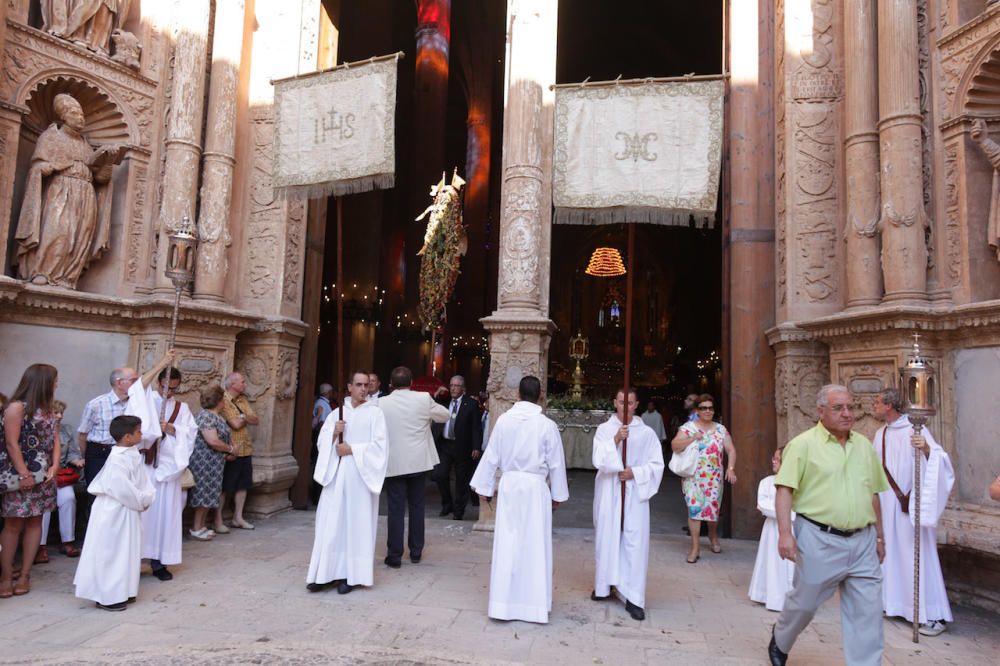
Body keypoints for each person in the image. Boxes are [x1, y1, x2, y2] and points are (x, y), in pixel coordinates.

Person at [768, 385, 890, 666]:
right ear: (820, 411)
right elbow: (784, 490)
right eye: (838, 408)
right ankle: (781, 638)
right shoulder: (802, 445)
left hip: (863, 540)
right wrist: (785, 534)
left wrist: (880, 538)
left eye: (850, 407)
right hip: (818, 538)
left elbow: (872, 492)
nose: (847, 414)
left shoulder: (864, 446)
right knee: (805, 603)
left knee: (868, 612)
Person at [469, 376, 569, 624]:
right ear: (541, 395)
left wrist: (484, 486)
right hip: (535, 489)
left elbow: (492, 454)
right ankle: (532, 606)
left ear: (518, 395)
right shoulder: (547, 425)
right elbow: (556, 463)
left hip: (511, 486)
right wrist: (558, 495)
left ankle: (503, 605)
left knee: (508, 542)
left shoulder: (503, 421)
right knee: (535, 544)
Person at [14, 92, 123, 287]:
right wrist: (50, 166)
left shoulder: (86, 145)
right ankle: (43, 271)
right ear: (63, 115)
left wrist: (108, 162)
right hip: (61, 191)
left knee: (81, 236)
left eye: (82, 114)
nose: (80, 118)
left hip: (86, 196)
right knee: (58, 230)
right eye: (75, 113)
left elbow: (100, 179)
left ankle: (68, 276)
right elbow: (38, 167)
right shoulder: (51, 137)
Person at [872, 388, 954, 636]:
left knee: (916, 555)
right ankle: (895, 604)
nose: (873, 406)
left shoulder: (915, 429)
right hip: (887, 504)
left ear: (889, 405)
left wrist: (927, 450)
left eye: (877, 402)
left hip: (910, 504)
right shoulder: (880, 433)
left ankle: (931, 614)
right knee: (892, 554)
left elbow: (941, 462)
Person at [306, 371, 388, 594]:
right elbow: (322, 445)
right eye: (359, 385)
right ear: (349, 387)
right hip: (337, 476)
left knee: (354, 526)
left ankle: (350, 575)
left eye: (366, 385)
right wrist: (334, 433)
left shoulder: (375, 414)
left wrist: (352, 449)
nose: (364, 389)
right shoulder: (336, 414)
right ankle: (324, 573)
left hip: (360, 478)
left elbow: (381, 448)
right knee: (330, 524)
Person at [591, 387, 664, 621]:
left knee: (634, 542)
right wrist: (616, 439)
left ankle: (633, 596)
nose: (625, 406)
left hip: (634, 493)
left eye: (630, 403)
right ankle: (605, 585)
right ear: (615, 402)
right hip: (610, 491)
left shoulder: (647, 434)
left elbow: (657, 465)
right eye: (622, 402)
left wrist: (636, 472)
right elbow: (598, 460)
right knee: (608, 538)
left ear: (636, 404)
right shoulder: (604, 430)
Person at [73, 415, 156, 611]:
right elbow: (122, 488)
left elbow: (141, 480)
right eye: (138, 431)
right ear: (127, 436)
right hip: (114, 511)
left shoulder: (132, 453)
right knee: (112, 552)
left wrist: (147, 496)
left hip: (129, 509)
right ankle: (108, 595)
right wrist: (142, 500)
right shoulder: (117, 459)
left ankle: (124, 590)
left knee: (127, 550)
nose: (141, 434)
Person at [378, 366, 449, 568]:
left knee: (395, 509)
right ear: (411, 384)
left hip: (394, 462)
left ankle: (394, 555)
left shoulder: (381, 403)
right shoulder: (423, 399)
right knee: (417, 507)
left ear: (391, 385)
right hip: (418, 461)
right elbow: (444, 416)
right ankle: (416, 552)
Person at [0, 364, 61, 597]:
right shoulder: (16, 407)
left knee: (36, 523)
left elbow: (55, 440)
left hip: (44, 475)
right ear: (43, 382)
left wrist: (55, 465)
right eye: (55, 380)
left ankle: (25, 574)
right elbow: (11, 443)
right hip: (20, 474)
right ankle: (6, 575)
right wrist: (24, 473)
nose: (57, 384)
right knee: (13, 524)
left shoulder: (48, 409)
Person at [141, 367, 197, 582]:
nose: (170, 392)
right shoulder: (146, 402)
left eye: (174, 388)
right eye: (166, 387)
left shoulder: (181, 408)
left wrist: (173, 429)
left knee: (165, 515)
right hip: (146, 465)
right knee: (145, 514)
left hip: (168, 466)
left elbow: (191, 432)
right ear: (158, 384)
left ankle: (159, 562)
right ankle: (137, 558)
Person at [670, 393, 736, 562]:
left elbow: (731, 450)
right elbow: (675, 446)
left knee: (712, 511)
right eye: (703, 408)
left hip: (714, 478)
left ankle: (713, 537)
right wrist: (692, 438)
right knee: (694, 510)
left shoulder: (720, 429)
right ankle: (695, 547)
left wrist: (731, 468)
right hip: (693, 477)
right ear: (697, 410)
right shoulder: (688, 428)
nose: (707, 411)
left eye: (710, 408)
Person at [78, 365, 141, 493]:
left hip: (126, 454)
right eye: (133, 380)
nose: (137, 384)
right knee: (97, 494)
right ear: (119, 382)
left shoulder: (137, 404)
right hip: (99, 454)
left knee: (122, 493)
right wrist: (87, 456)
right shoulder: (96, 404)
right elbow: (82, 434)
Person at [749, 449, 795, 611]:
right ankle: (768, 595)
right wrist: (789, 512)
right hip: (772, 529)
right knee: (772, 562)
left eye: (778, 459)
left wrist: (788, 513)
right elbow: (764, 506)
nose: (774, 462)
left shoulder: (799, 483)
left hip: (794, 530)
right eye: (773, 458)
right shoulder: (766, 482)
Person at [187, 385, 234, 540]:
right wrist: (230, 449)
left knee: (210, 494)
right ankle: (196, 526)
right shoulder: (206, 416)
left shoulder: (217, 417)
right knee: (203, 493)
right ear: (219, 401)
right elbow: (212, 440)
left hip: (215, 462)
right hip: (204, 462)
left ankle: (201, 525)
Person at [39, 399, 84, 561]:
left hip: (61, 476)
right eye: (55, 412)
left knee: (68, 498)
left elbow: (73, 452)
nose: (59, 416)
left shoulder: (66, 431)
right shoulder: (38, 429)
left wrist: (76, 460)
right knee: (43, 504)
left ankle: (67, 541)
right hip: (42, 478)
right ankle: (40, 545)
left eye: (61, 413)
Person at [434, 375, 482, 520]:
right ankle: (447, 504)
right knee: (440, 475)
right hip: (445, 445)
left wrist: (476, 447)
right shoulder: (444, 401)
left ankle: (458, 511)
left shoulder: (471, 404)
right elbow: (432, 410)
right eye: (451, 385)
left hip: (463, 446)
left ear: (463, 388)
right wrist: (436, 396)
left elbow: (476, 427)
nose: (453, 388)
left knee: (461, 481)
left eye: (456, 385)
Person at [217, 372, 258, 531]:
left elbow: (256, 419)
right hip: (231, 449)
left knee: (243, 484)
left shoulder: (243, 400)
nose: (245, 384)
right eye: (242, 382)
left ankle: (238, 517)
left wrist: (243, 417)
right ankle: (218, 519)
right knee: (225, 486)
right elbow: (234, 424)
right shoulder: (224, 400)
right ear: (232, 384)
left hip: (245, 448)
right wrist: (244, 417)